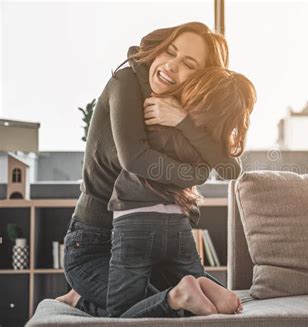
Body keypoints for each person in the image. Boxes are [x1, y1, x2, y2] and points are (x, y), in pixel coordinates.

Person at [55, 22, 248, 318]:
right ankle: (79, 298)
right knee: (153, 306)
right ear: (159, 48)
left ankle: (82, 297)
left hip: (151, 245)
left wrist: (183, 120)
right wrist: (196, 175)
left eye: (189, 64)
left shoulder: (181, 106)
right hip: (94, 243)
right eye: (170, 51)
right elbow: (134, 159)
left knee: (194, 307)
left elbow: (228, 168)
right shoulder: (126, 83)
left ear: (200, 78)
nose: (171, 66)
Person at [106, 66, 256, 318]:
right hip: (177, 224)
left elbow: (130, 154)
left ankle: (177, 296)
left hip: (135, 219)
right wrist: (185, 123)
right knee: (191, 287)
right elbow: (231, 169)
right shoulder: (207, 138)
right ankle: (206, 287)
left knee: (119, 311)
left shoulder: (160, 109)